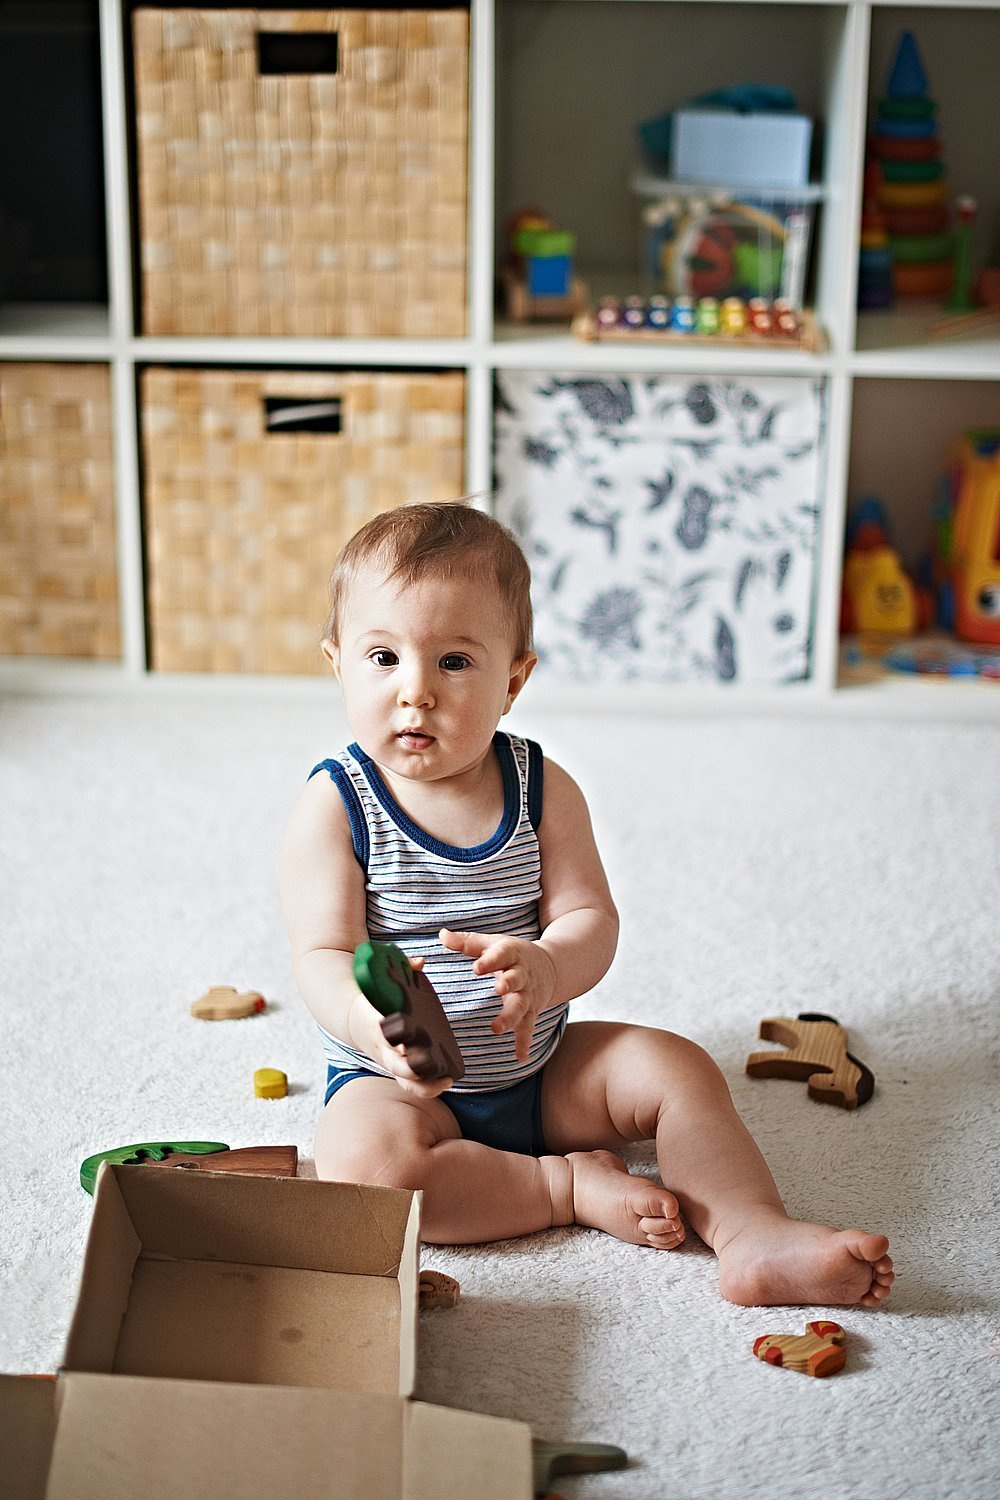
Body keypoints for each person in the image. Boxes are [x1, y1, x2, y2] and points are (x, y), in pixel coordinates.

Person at [280, 503, 894, 1308]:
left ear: (513, 679)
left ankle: (752, 1232)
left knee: (678, 1070)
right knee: (368, 1172)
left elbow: (591, 920)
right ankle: (561, 1189)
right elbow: (323, 955)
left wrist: (548, 965)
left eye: (455, 662)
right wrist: (372, 1029)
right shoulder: (336, 804)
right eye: (384, 657)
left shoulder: (542, 790)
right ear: (338, 664)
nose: (416, 691)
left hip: (538, 1068)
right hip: (396, 1086)